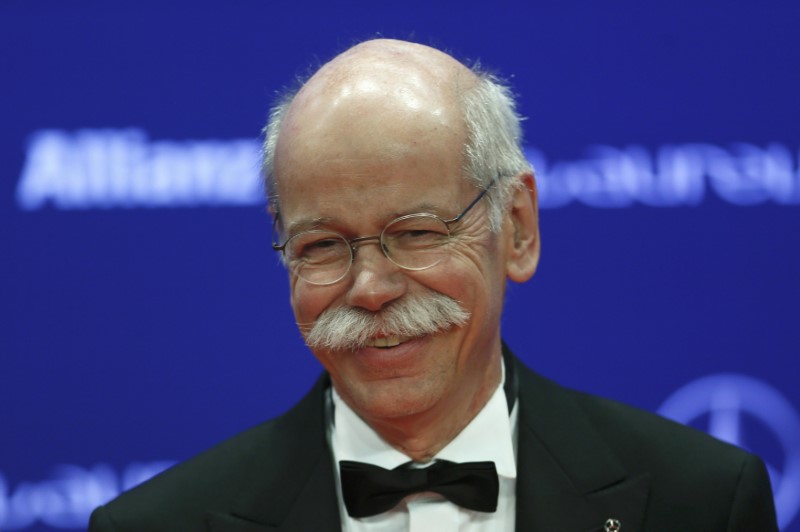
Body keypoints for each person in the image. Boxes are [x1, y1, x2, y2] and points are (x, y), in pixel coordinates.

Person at [89, 39, 778, 531]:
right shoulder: (156, 523)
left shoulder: (700, 502)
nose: (371, 287)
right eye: (323, 245)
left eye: (416, 232)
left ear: (518, 227)